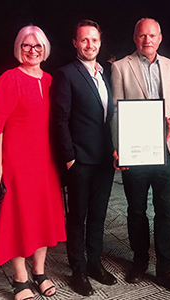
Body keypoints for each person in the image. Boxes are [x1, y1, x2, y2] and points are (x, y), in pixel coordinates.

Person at [111, 18, 170, 295]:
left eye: (152, 35)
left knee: (165, 212)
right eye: (142, 35)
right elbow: (116, 112)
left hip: (166, 151)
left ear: (160, 38)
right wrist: (118, 146)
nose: (147, 40)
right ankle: (140, 261)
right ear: (135, 38)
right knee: (136, 210)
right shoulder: (121, 67)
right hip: (135, 151)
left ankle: (166, 269)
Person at [0, 25, 66, 300]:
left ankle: (40, 272)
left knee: (43, 217)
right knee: (20, 218)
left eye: (37, 46)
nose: (32, 51)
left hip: (46, 162)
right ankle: (20, 279)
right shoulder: (9, 79)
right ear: (18, 48)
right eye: (26, 46)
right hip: (18, 162)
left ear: (45, 50)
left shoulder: (50, 80)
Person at [50, 20, 116, 296]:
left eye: (94, 40)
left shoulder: (106, 73)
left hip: (104, 160)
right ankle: (77, 270)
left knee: (99, 215)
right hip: (79, 160)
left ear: (100, 42)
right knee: (77, 217)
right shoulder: (66, 74)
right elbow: (59, 119)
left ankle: (94, 264)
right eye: (84, 40)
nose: (90, 45)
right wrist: (68, 158)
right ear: (75, 43)